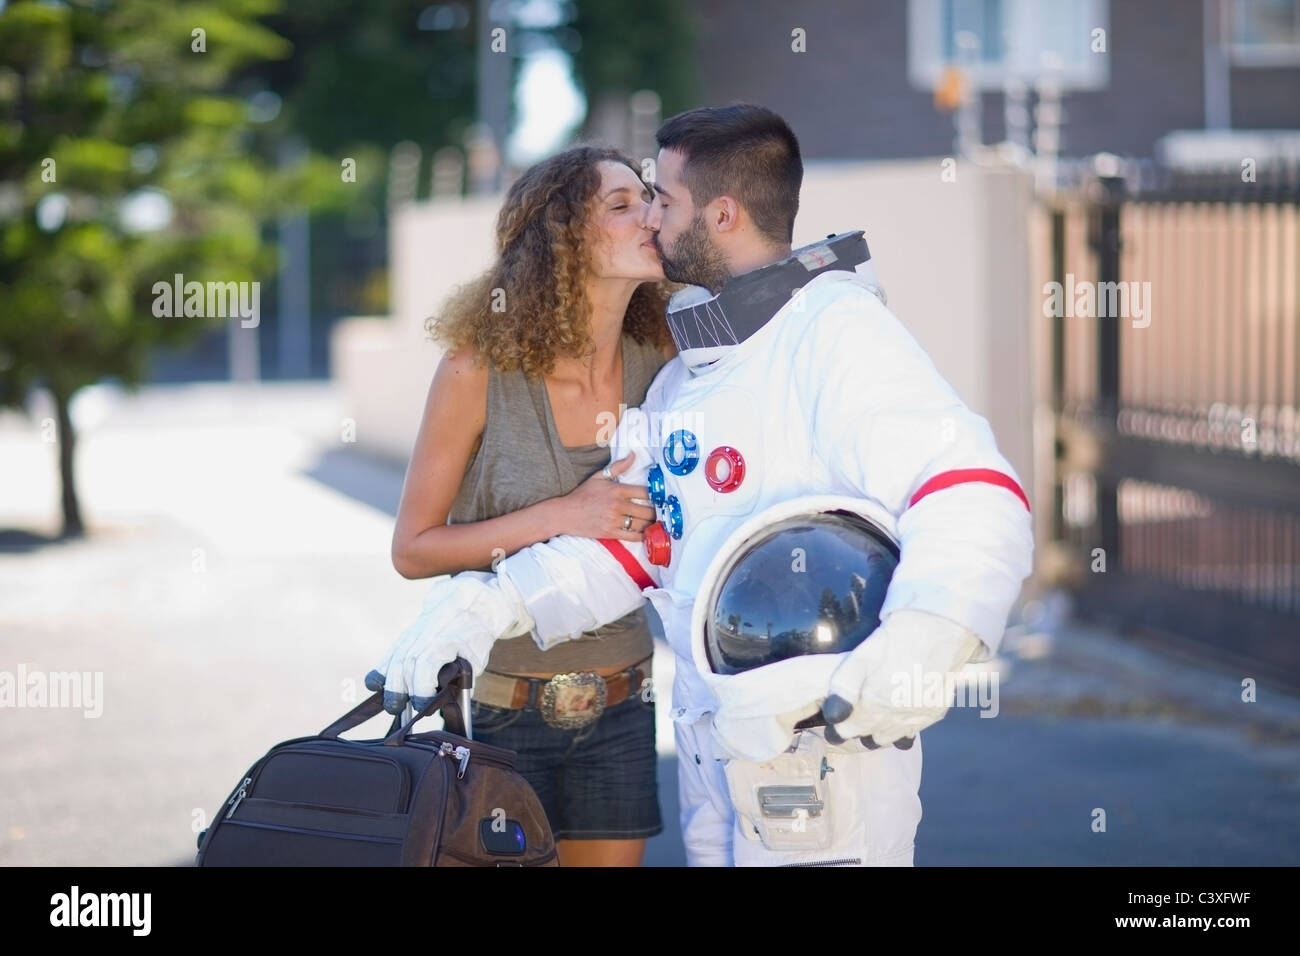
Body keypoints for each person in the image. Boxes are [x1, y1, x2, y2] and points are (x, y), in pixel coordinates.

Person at [370, 105, 1034, 866]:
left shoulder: (834, 332)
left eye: (664, 199)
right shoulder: (689, 376)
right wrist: (493, 603)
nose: (652, 216)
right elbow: (640, 540)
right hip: (713, 751)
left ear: (720, 213)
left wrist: (931, 636)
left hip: (823, 748)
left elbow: (969, 488)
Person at [387, 145, 676, 866]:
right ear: (561, 237)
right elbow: (413, 548)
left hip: (623, 700)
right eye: (621, 204)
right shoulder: (475, 368)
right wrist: (563, 514)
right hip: (498, 712)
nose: (650, 213)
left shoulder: (667, 357)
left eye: (649, 196)